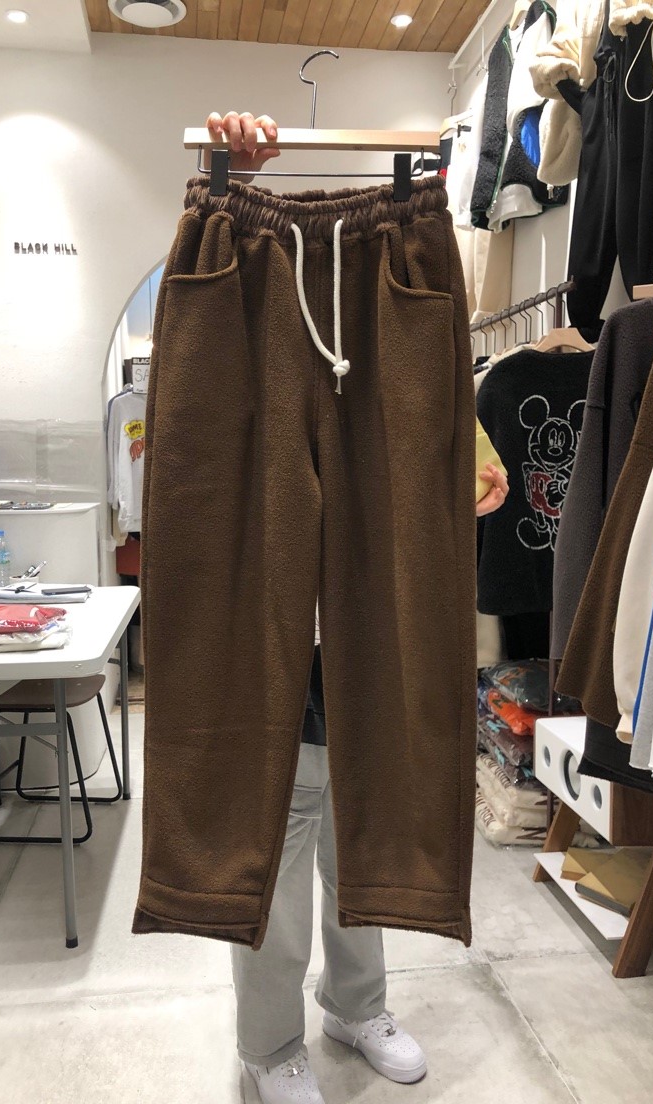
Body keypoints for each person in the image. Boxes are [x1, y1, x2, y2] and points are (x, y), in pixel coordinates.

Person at [205, 111, 510, 1104]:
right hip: (278, 645)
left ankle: (356, 1002)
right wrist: (224, 177)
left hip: (368, 639)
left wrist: (461, 453)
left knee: (364, 811)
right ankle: (268, 1044)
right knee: (279, 825)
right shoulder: (249, 294)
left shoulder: (395, 306)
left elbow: (446, 447)